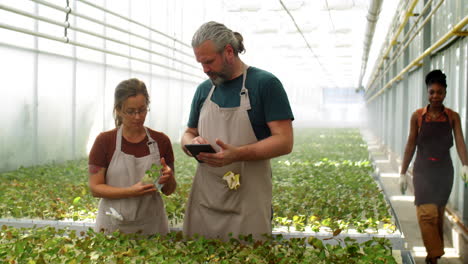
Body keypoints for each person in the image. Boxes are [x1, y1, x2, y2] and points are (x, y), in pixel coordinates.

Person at [181, 21, 294, 241]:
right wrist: (190, 144)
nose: (205, 69)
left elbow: (284, 141)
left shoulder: (265, 84)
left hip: (248, 201)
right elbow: (188, 132)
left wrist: (237, 154)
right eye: (200, 63)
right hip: (207, 197)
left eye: (209, 61)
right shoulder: (204, 90)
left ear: (229, 52)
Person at [88, 78, 176, 235]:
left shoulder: (161, 141)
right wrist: (130, 191)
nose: (137, 117)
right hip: (112, 226)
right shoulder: (104, 141)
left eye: (142, 110)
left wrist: (169, 179)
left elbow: (169, 190)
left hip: (151, 225)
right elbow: (95, 188)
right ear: (118, 110)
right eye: (131, 111)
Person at [399, 70, 468, 264]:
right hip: (422, 171)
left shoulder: (453, 117)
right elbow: (410, 144)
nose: (435, 96)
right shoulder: (418, 117)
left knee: (437, 214)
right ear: (427, 93)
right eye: (431, 92)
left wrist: (465, 165)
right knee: (426, 213)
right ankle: (435, 252)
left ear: (445, 93)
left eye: (439, 92)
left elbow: (460, 141)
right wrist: (403, 172)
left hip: (444, 172)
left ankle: (432, 256)